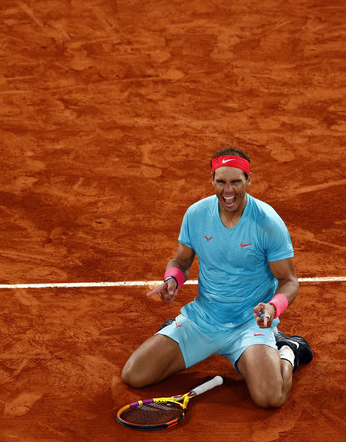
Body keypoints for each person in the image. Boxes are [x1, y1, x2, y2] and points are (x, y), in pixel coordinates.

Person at [121, 147, 313, 408]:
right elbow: (181, 261)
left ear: (248, 180)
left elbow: (289, 281)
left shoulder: (267, 222)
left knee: (271, 398)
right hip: (204, 320)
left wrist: (273, 307)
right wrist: (173, 279)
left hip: (249, 326)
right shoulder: (196, 215)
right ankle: (177, 334)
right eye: (221, 181)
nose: (228, 190)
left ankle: (288, 350)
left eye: (236, 181)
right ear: (212, 180)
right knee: (134, 375)